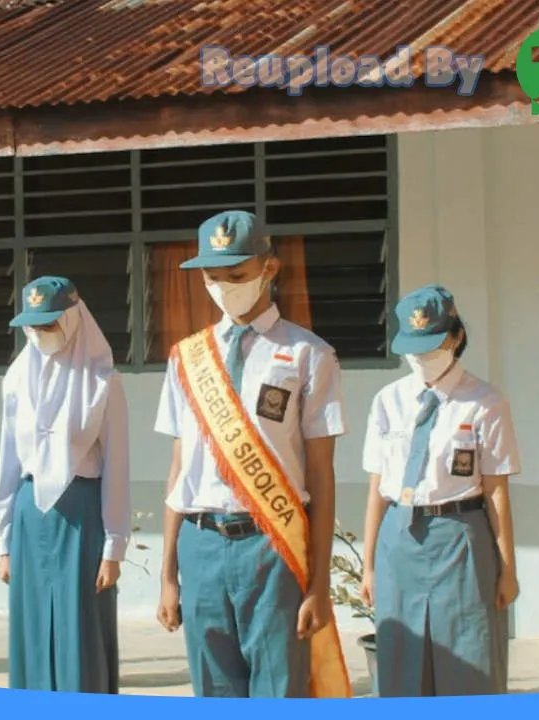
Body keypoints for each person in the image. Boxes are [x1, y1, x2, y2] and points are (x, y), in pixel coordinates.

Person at [152, 210, 351, 698]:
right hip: (201, 543)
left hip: (272, 543)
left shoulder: (309, 355)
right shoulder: (187, 358)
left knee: (279, 687)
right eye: (212, 277)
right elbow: (180, 471)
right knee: (213, 689)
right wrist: (169, 575)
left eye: (236, 275)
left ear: (269, 268)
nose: (223, 287)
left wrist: (319, 584)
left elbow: (321, 476)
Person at [359, 284, 522, 697]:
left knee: (470, 660)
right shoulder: (388, 401)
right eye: (414, 351)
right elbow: (377, 486)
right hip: (400, 536)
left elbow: (496, 491)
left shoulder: (485, 402)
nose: (423, 360)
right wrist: (369, 564)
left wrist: (508, 569)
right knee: (400, 661)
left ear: (455, 337)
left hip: (460, 535)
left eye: (431, 348)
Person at [0, 276, 131, 693]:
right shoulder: (17, 379)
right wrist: (3, 542)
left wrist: (113, 547)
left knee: (81, 627)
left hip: (82, 515)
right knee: (33, 629)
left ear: (72, 320)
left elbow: (117, 467)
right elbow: (8, 462)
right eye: (33, 327)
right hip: (30, 515)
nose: (41, 335)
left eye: (50, 324)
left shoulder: (102, 382)